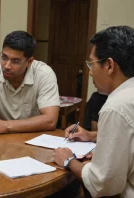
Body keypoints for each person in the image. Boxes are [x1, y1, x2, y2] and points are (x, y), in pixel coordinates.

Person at [54, 26, 134, 197]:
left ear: (110, 65)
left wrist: (68, 160)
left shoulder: (116, 106)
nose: (90, 73)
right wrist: (93, 135)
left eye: (92, 64)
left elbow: (104, 183)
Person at [0, 31, 60, 134]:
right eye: (4, 57)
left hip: (33, 136)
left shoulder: (44, 74)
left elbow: (50, 120)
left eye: (15, 61)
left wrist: (5, 125)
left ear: (29, 62)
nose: (6, 66)